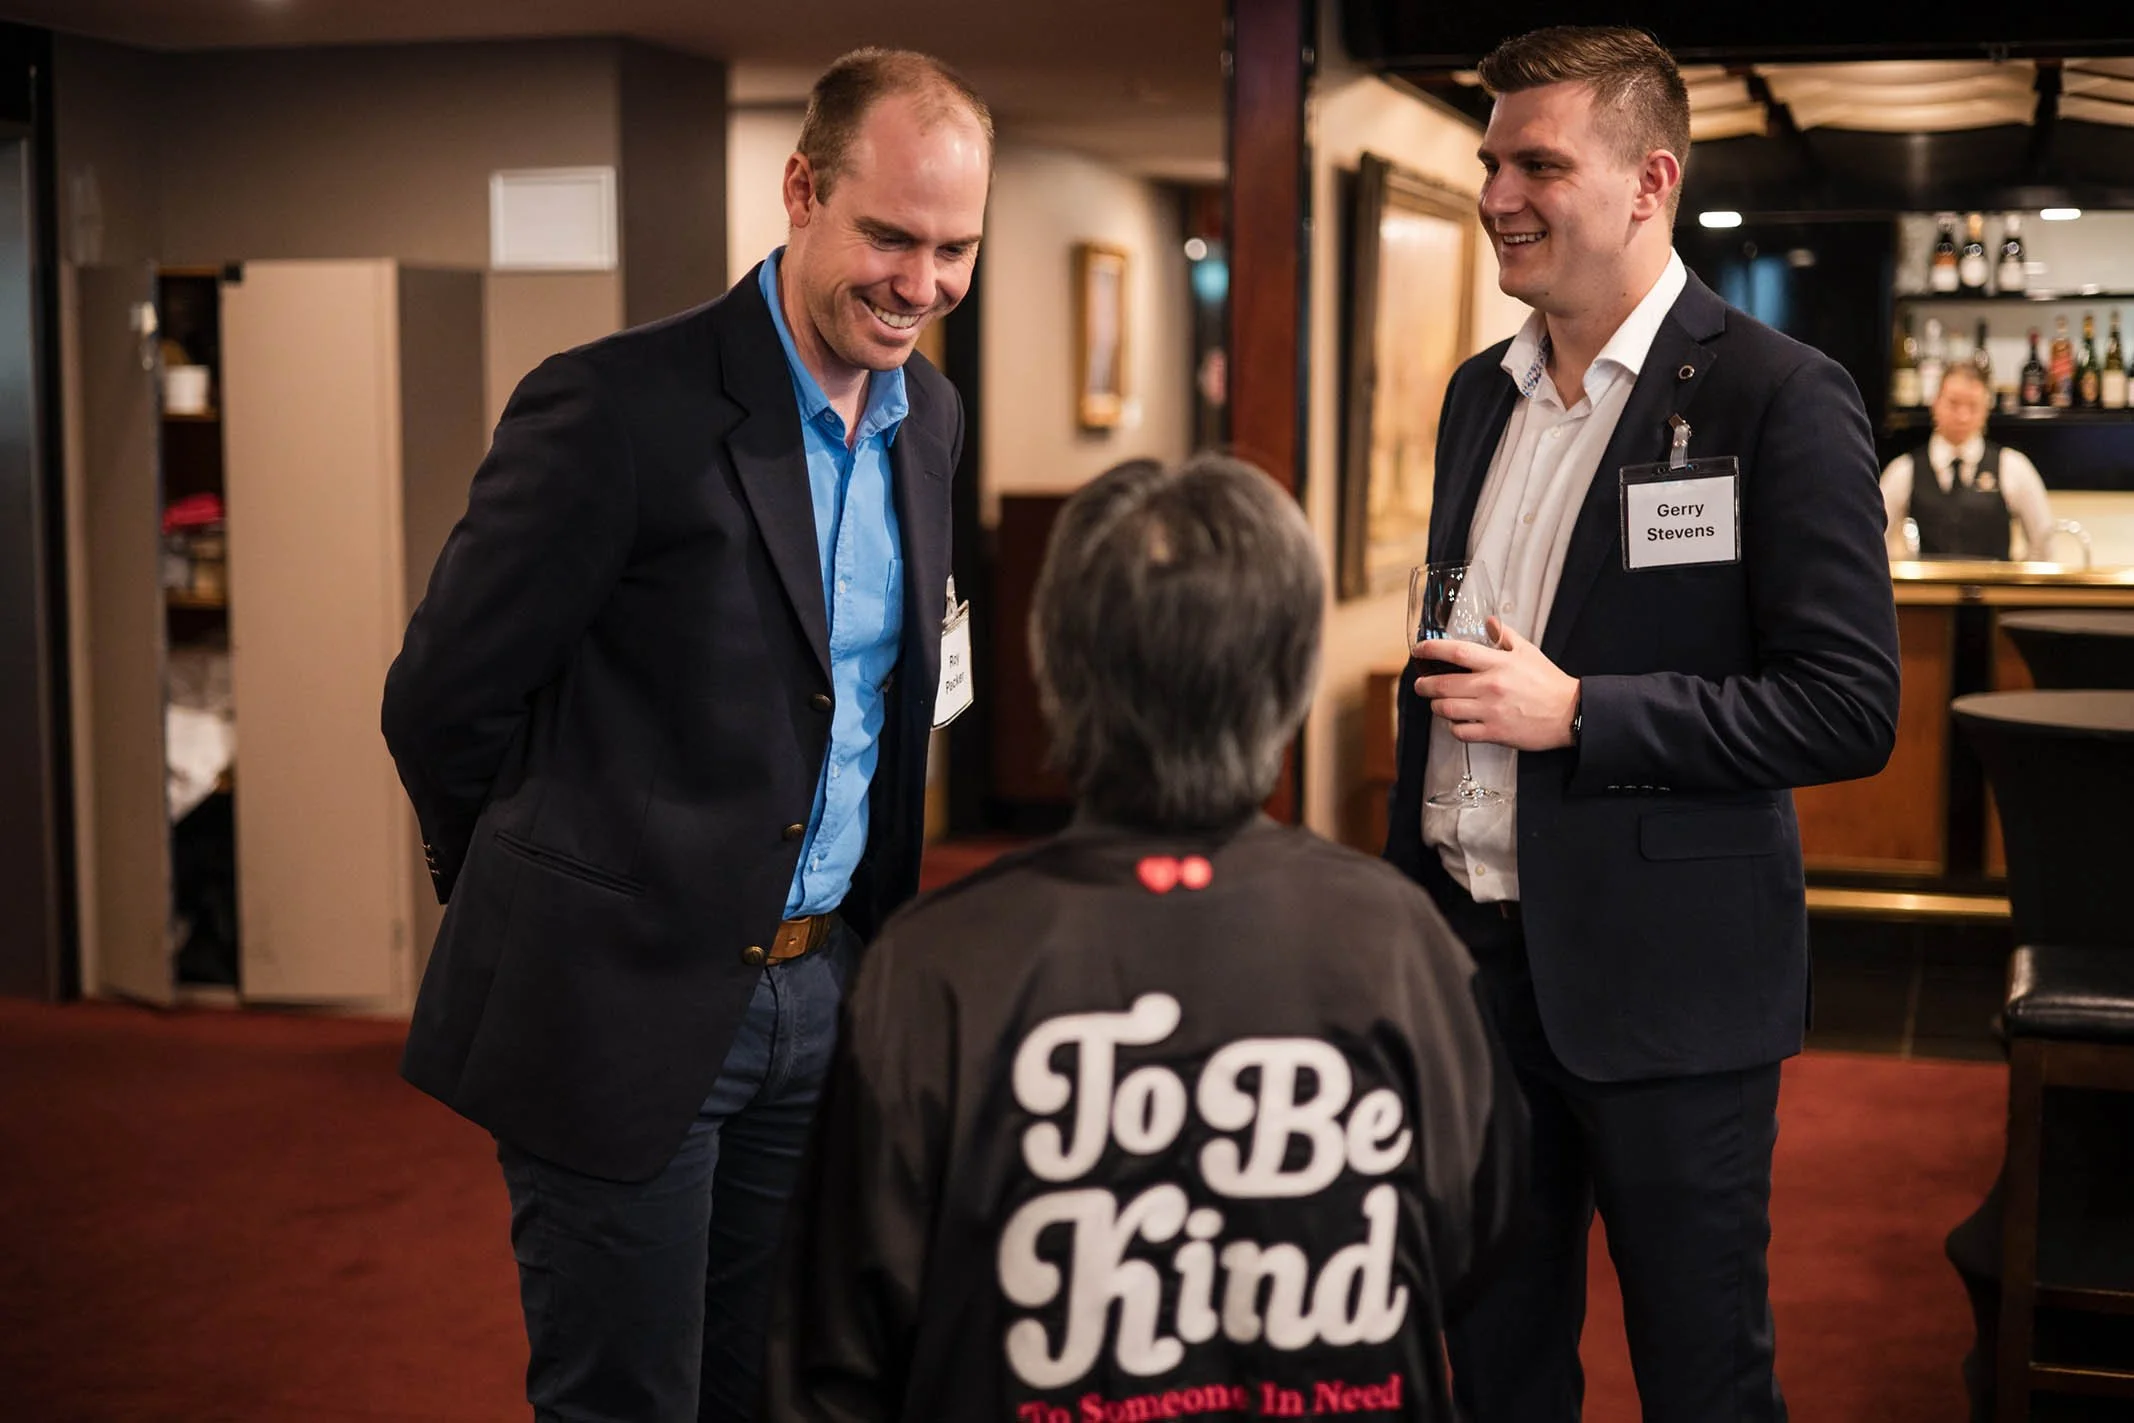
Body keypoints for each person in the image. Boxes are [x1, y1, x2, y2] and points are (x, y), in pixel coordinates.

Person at [379, 48, 990, 1422]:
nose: (921, 282)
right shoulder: (614, 406)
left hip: (817, 989)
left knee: (772, 1384)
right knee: (625, 1398)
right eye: (889, 235)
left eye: (955, 248)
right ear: (799, 191)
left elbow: (887, 705)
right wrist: (543, 891)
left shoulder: (929, 420)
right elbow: (441, 696)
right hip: (615, 998)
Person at [765, 456, 1526, 1422]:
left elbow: (836, 1349)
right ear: (1292, 683)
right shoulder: (1398, 940)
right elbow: (1472, 1240)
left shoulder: (933, 965)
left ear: (1055, 670)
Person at [1381, 26, 1901, 1423]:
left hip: (1670, 992)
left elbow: (1848, 705)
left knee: (1700, 1371)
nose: (1496, 192)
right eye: (1489, 159)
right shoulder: (1472, 397)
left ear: (1648, 181)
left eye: (1536, 162)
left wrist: (1581, 714)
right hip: (1474, 970)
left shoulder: (1775, 396)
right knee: (1489, 1361)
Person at [1879, 363, 2055, 560]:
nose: (1963, 416)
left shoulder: (2014, 466)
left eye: (1973, 405)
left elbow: (2044, 542)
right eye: (1953, 403)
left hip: (1995, 589)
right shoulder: (1904, 469)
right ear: (1935, 402)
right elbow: (1874, 538)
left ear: (1986, 408)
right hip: (1928, 590)